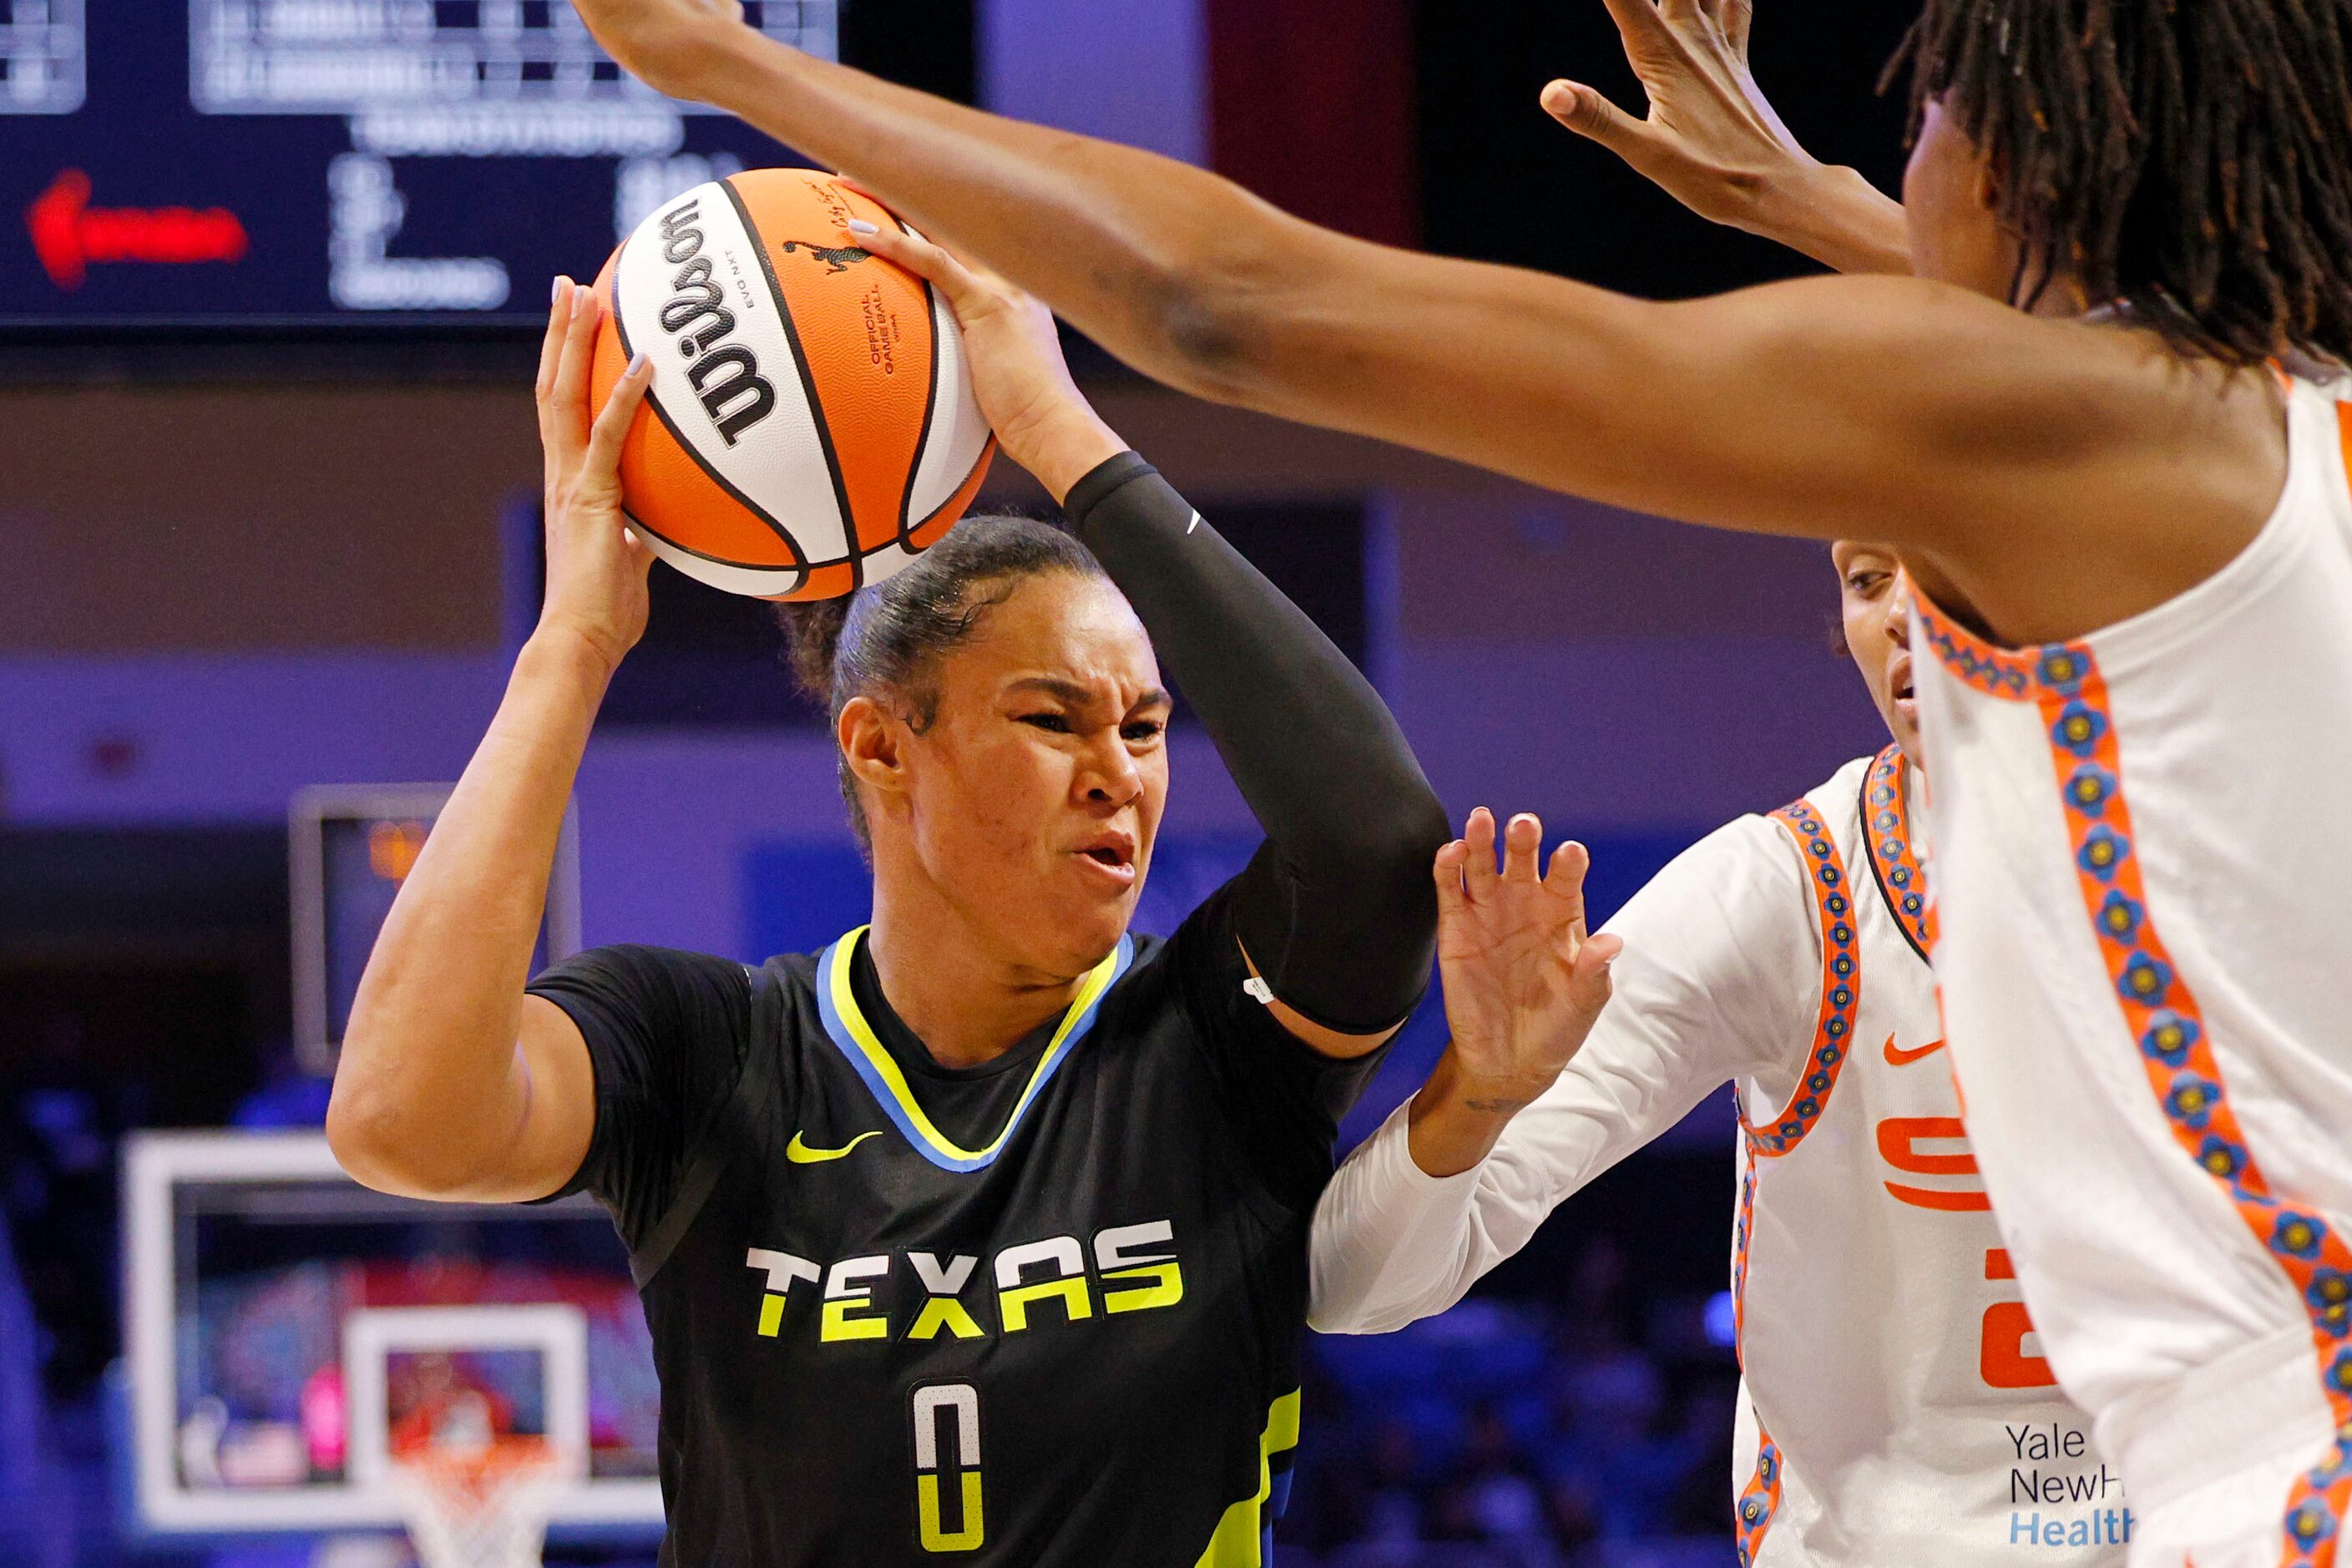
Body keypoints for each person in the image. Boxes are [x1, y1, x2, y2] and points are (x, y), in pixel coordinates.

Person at [559, 2, 2352, 1560]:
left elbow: (1228, 297)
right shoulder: (2287, 437)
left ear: (2032, 147)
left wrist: (719, 59)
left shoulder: (2077, 444)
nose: (1920, 161)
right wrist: (1804, 202)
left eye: (1935, 118)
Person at [324, 223, 1464, 1560]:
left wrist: (1060, 432)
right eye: (1055, 718)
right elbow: (401, 1117)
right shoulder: (710, 1052)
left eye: (1146, 729)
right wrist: (572, 647)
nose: (1119, 777)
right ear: (880, 745)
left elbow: (1381, 839)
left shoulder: (1213, 1034)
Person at [1313, 544, 2127, 1564]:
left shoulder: (2254, 863)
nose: (1904, 617)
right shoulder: (1783, 895)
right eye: (1870, 578)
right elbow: (1354, 1289)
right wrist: (1477, 1093)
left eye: (1953, 556)